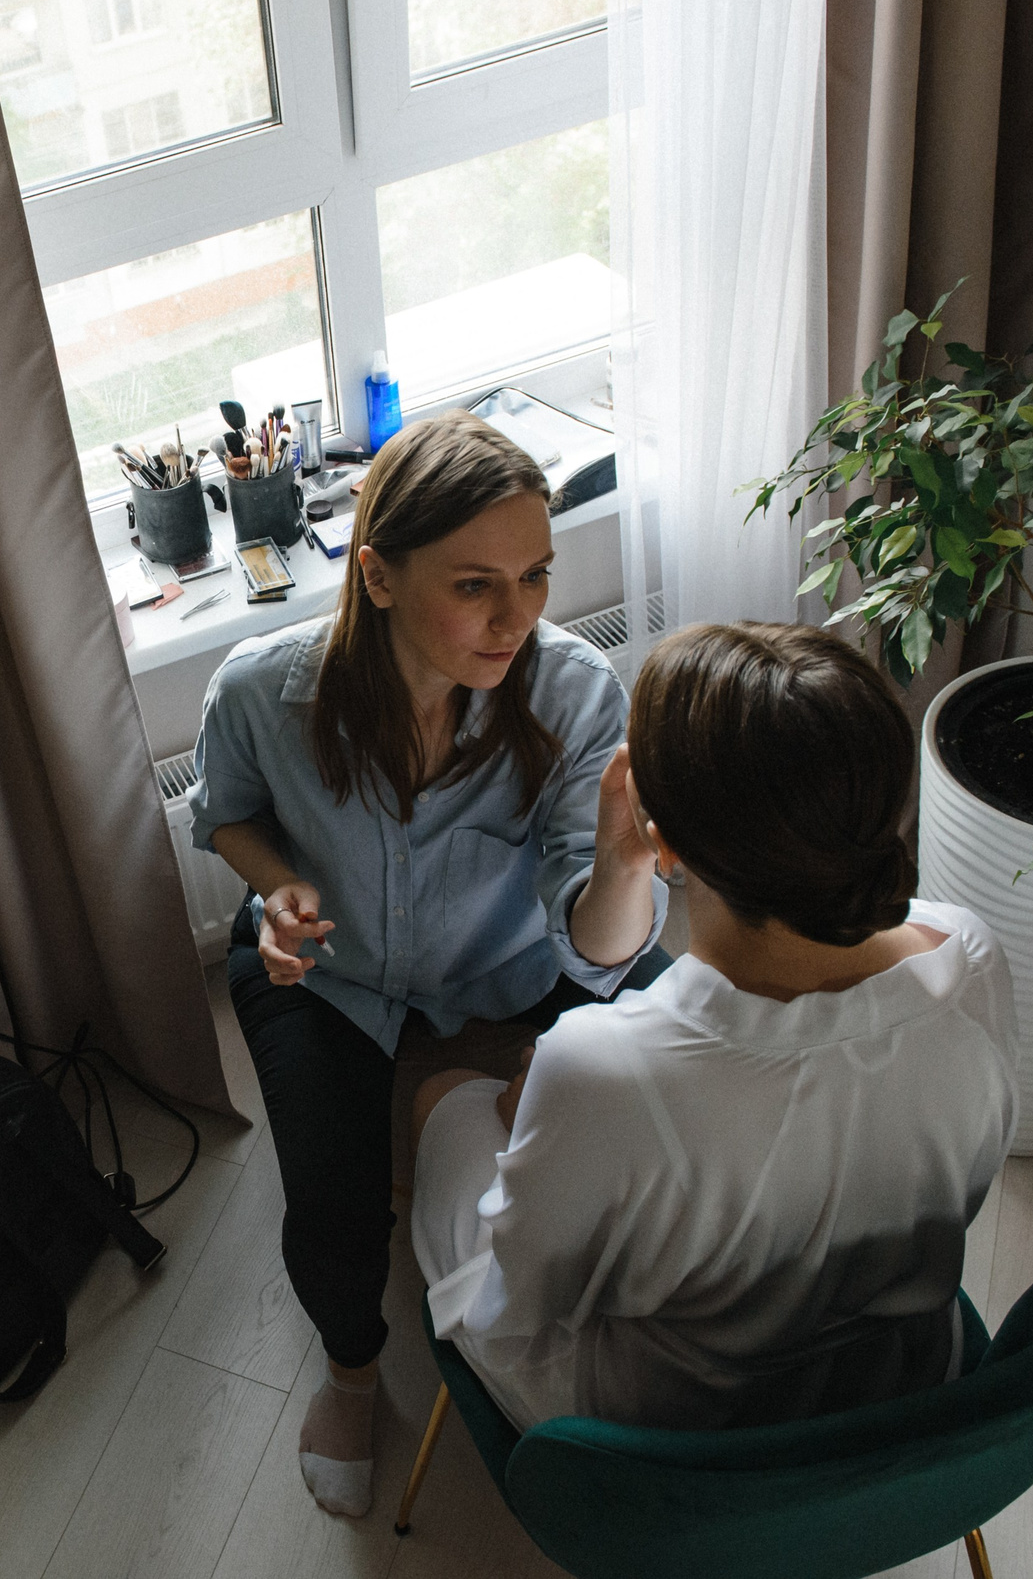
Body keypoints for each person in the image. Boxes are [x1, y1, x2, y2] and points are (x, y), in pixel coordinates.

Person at [186, 412, 670, 1517]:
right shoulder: (261, 691)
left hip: (517, 963)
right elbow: (227, 815)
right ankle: (353, 1372)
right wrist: (275, 888)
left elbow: (592, 945)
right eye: (475, 586)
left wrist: (621, 863)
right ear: (381, 574)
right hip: (330, 973)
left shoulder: (573, 696)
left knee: (654, 1096)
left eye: (536, 576)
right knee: (331, 1197)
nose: (518, 618)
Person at [408, 621, 1019, 1434]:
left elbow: (513, 1311)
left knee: (445, 1100)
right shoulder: (972, 958)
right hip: (899, 1374)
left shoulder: (598, 1067)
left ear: (660, 834)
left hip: (676, 1439)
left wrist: (548, 1132)